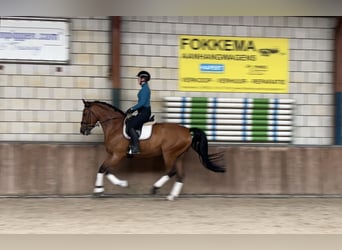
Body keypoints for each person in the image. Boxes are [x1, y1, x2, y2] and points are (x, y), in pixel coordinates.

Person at [125, 70, 152, 154]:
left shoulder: (145, 89)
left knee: (130, 125)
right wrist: (133, 110)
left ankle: (136, 147)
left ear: (143, 79)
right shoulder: (144, 88)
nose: (138, 80)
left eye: (139, 78)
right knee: (129, 121)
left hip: (144, 113)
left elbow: (142, 103)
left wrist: (132, 109)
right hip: (142, 111)